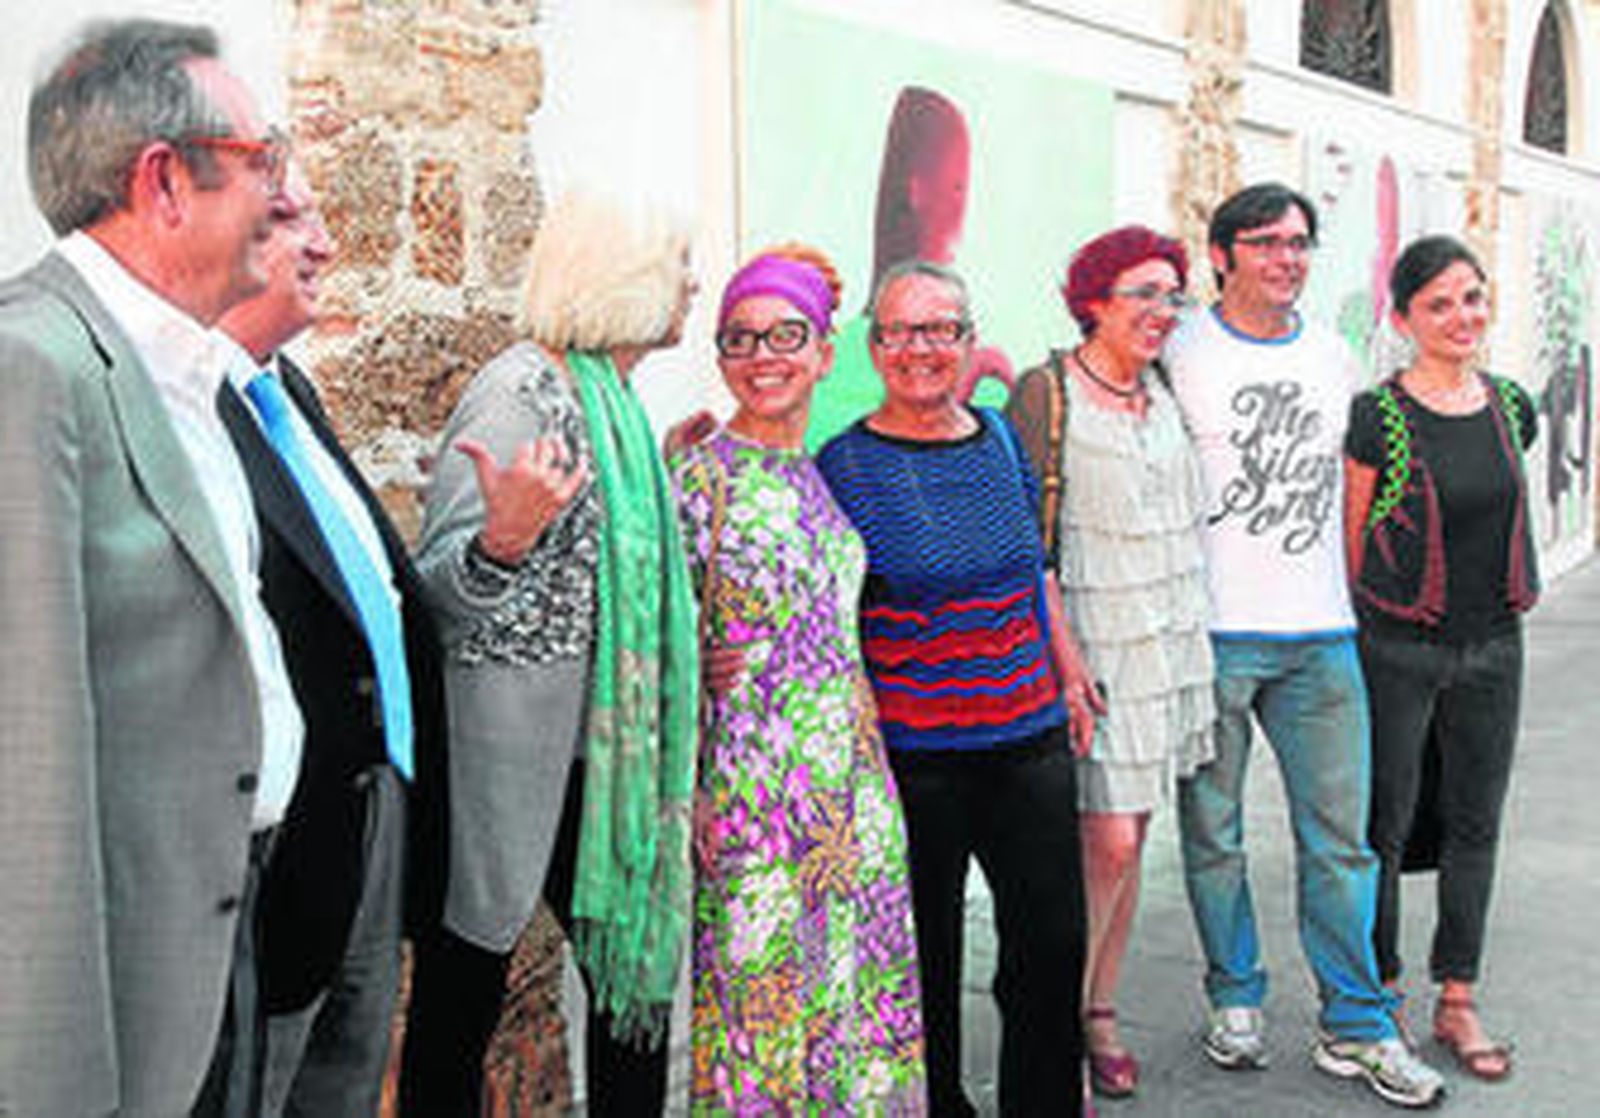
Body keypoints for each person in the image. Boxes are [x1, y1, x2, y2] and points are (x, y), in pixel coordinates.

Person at [0, 18, 299, 1117]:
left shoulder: (181, 369)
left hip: (216, 937)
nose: (282, 193)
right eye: (263, 159)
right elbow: (26, 765)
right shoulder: (31, 366)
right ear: (164, 181)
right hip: (122, 999)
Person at [398, 191, 699, 1117]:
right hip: (508, 764)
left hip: (604, 765)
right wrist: (503, 544)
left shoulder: (612, 403)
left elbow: (601, 570)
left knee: (630, 988)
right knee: (461, 995)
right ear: (622, 279)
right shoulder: (517, 396)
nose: (691, 285)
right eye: (677, 266)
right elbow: (434, 597)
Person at [1164, 182, 1445, 1109]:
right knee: (1214, 836)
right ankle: (1235, 996)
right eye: (1265, 243)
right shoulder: (1180, 352)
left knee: (1340, 845)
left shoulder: (1334, 355)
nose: (1286, 259)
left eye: (1298, 243)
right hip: (1211, 635)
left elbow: (1364, 484)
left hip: (1322, 635)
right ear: (1221, 256)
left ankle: (1355, 1024)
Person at [817, 261, 1098, 1117]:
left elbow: (1035, 567)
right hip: (915, 763)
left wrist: (1069, 667)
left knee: (1050, 952)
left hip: (1029, 739)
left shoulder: (1001, 439)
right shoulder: (843, 466)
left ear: (969, 342)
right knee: (921, 964)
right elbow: (826, 615)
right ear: (875, 349)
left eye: (940, 329)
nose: (921, 349)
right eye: (901, 331)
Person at [214, 164, 448, 1118]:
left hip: (373, 811)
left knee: (347, 1085)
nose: (325, 244)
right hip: (278, 853)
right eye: (288, 220)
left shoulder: (288, 391)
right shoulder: (187, 411)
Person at [671, 247, 927, 1113]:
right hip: (754, 798)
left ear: (823, 352)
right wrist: (689, 791)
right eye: (739, 339)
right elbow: (661, 646)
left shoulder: (820, 474)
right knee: (762, 1016)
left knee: (852, 1010)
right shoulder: (699, 478)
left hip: (852, 797)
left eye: (786, 335)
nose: (762, 357)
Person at [1005, 226, 1215, 1100]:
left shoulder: (1166, 388)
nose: (1162, 311)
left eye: (1172, 295)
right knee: (1109, 838)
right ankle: (1061, 1020)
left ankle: (1099, 1008)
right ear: (1093, 300)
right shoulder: (1048, 392)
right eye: (1143, 293)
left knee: (1132, 838)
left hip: (1167, 637)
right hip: (1091, 643)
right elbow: (1027, 543)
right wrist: (1061, 660)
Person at [1344, 234, 1537, 1083]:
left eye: (1472, 297)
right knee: (1383, 824)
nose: (1462, 316)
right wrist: (1374, 628)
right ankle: (1380, 992)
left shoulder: (1511, 405)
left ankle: (1457, 997)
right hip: (1398, 646)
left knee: (1475, 823)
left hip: (1494, 645)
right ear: (1404, 319)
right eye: (1440, 304)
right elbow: (1355, 543)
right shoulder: (1378, 415)